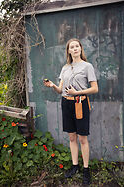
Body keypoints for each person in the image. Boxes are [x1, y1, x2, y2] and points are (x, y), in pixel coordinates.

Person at [43, 38, 98, 185]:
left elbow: (95, 88)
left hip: (80, 103)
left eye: (77, 46)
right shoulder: (65, 68)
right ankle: (75, 166)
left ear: (80, 48)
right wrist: (53, 85)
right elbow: (61, 90)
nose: (74, 49)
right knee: (72, 138)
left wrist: (77, 93)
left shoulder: (87, 66)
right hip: (66, 103)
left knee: (82, 139)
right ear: (68, 50)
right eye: (71, 47)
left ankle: (86, 170)